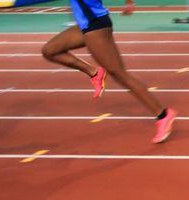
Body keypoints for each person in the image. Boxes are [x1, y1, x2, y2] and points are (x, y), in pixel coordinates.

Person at [41, 0, 177, 143]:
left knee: (119, 74)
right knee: (50, 50)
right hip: (86, 25)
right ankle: (93, 72)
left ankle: (163, 115)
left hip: (95, 26)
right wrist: (129, 3)